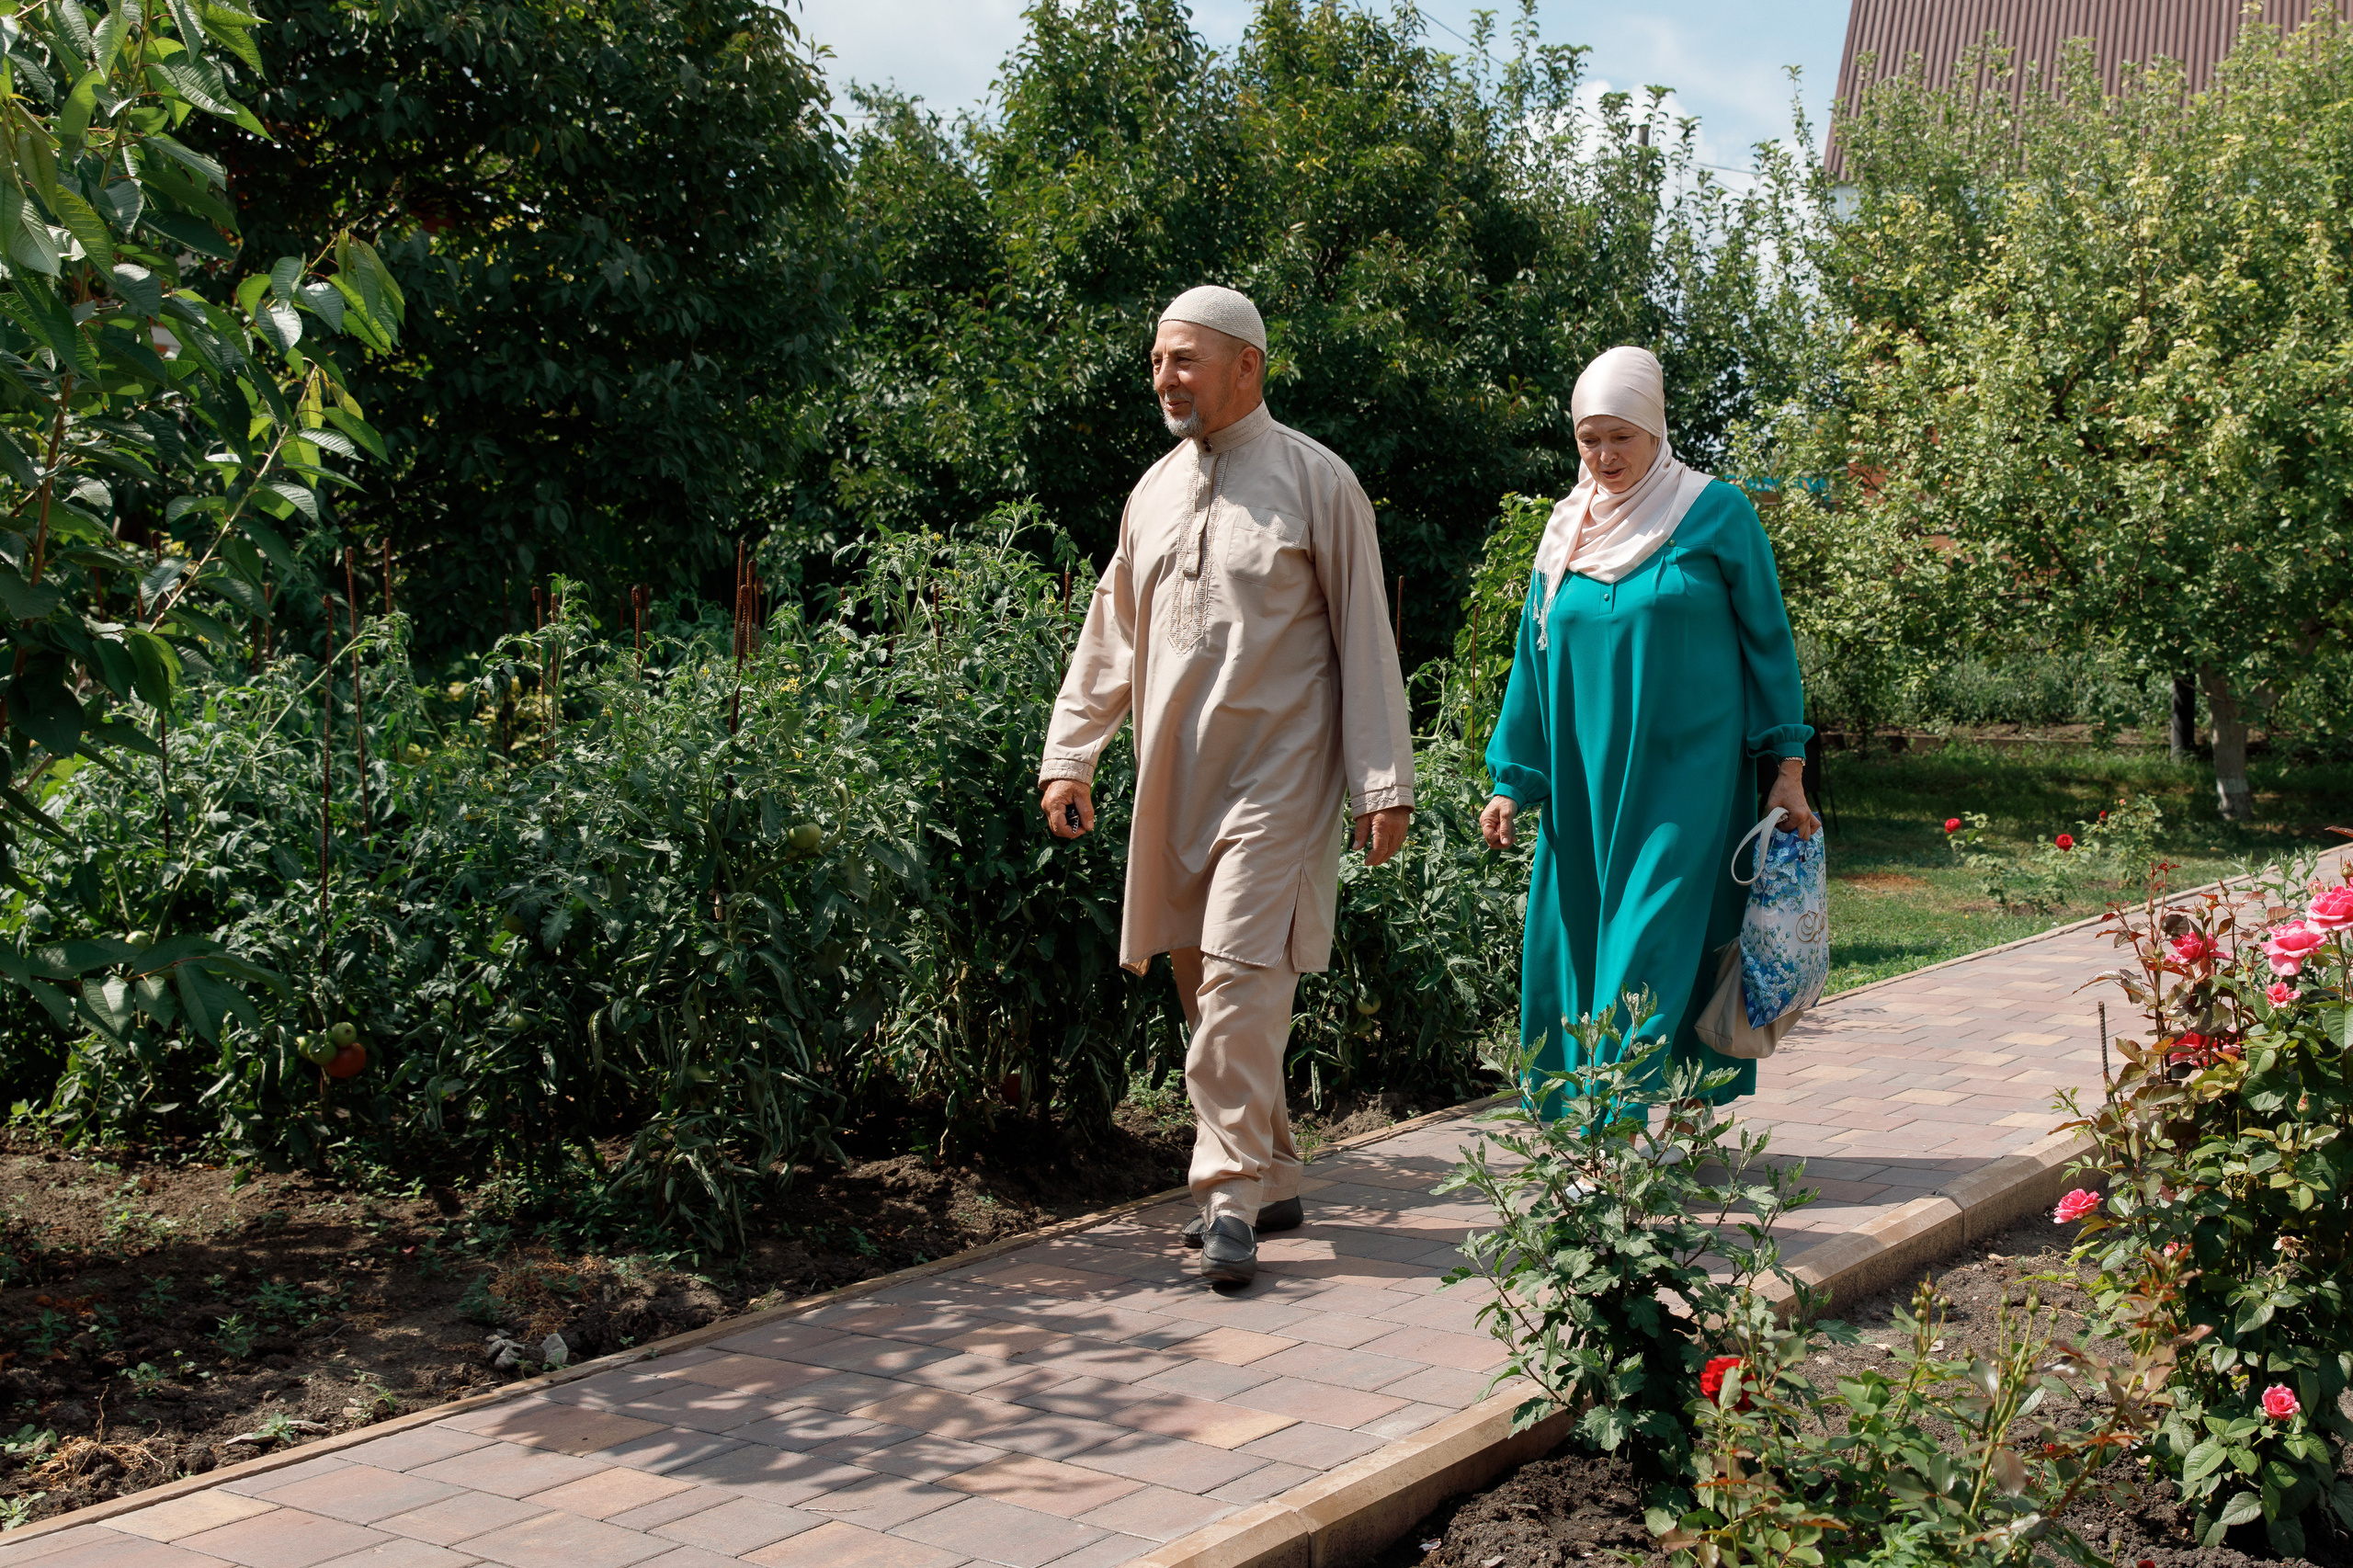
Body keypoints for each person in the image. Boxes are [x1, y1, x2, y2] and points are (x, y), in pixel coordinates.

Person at [1038, 285, 1415, 1286]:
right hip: (1177, 780)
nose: (1164, 378)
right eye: (1158, 361)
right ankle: (1279, 1169)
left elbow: (1366, 639)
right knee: (1204, 983)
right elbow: (1109, 633)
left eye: (1184, 360)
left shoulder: (1317, 482)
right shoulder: (1151, 491)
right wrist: (1071, 752)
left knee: (1244, 973)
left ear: (1246, 365)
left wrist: (1382, 778)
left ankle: (1226, 1194)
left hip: (1281, 778)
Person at [1479, 346, 1815, 1115]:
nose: (1604, 456)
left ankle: (1614, 1128)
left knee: (1648, 936)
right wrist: (1513, 780)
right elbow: (1532, 664)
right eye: (1588, 438)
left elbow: (1769, 642)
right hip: (1584, 785)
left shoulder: (1714, 511)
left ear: (1656, 431)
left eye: (1620, 437)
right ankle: (1637, 1112)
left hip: (1684, 779)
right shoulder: (1565, 532)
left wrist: (1785, 765)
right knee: (1582, 943)